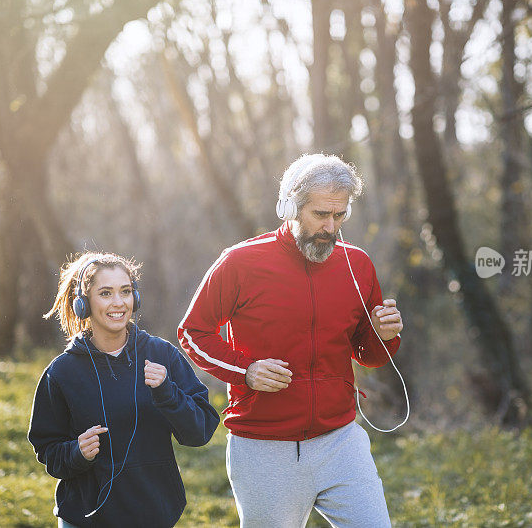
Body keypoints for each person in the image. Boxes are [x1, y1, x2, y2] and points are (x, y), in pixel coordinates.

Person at [178, 154, 404, 527]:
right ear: (288, 207)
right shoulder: (240, 262)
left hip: (341, 440)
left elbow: (369, 355)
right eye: (320, 215)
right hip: (264, 447)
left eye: (340, 215)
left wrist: (383, 335)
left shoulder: (357, 264)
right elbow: (192, 332)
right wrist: (245, 370)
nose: (330, 227)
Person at [28, 252, 220, 528]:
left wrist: (168, 393)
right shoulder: (61, 373)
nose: (119, 303)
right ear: (83, 303)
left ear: (136, 297)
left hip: (154, 516)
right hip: (85, 520)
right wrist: (76, 452)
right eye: (105, 293)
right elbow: (48, 450)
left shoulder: (162, 354)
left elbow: (200, 432)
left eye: (126, 291)